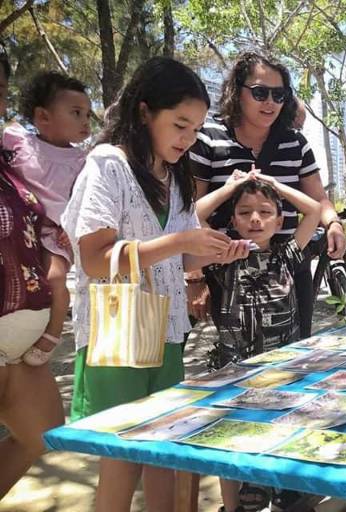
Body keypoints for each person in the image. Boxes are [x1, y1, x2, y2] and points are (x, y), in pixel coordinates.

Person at [61, 57, 248, 512]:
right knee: (122, 457)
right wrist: (181, 240)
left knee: (164, 450)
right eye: (179, 124)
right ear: (145, 112)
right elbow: (94, 259)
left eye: (195, 129)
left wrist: (217, 251)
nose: (187, 139)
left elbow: (179, 255)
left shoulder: (175, 177)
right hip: (116, 336)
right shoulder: (108, 165)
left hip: (165, 332)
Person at [189, 51, 346, 339]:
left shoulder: (295, 143)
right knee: (233, 348)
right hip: (223, 268)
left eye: (279, 94)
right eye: (261, 93)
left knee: (294, 345)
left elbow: (319, 200)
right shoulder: (209, 137)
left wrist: (333, 223)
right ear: (238, 92)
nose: (270, 102)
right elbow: (188, 211)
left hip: (286, 263)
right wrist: (195, 277)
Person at [196, 169, 321, 512]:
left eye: (266, 212)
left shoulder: (287, 254)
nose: (255, 219)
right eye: (244, 212)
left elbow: (313, 210)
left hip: (284, 370)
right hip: (234, 371)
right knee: (231, 436)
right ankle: (232, 503)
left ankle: (282, 487)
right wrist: (232, 187)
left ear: (280, 219)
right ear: (233, 219)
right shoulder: (221, 255)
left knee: (282, 429)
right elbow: (192, 216)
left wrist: (274, 185)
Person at [0, 50, 65, 501]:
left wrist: (55, 256)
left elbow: (43, 225)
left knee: (42, 432)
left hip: (22, 339)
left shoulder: (12, 160)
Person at [2, 71, 91, 365]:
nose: (86, 121)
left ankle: (52, 334)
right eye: (76, 113)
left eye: (88, 114)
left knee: (54, 277)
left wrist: (74, 227)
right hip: (21, 225)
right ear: (42, 117)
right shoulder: (18, 142)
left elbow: (86, 200)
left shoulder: (83, 161)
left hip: (55, 233)